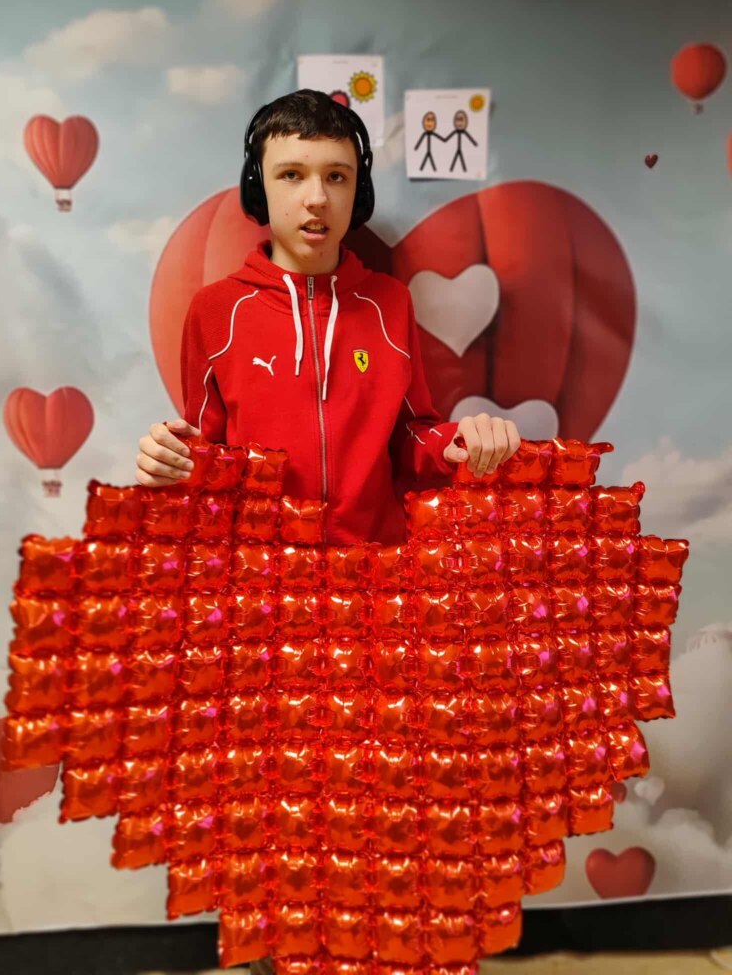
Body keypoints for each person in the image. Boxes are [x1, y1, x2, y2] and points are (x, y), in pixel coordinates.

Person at [134, 89, 521, 971]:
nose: (316, 198)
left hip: (373, 602)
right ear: (259, 188)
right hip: (262, 612)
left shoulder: (389, 304)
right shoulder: (216, 312)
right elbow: (208, 456)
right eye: (293, 175)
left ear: (358, 191)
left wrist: (468, 440)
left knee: (376, 811)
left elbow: (415, 437)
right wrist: (170, 462)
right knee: (275, 816)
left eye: (337, 177)